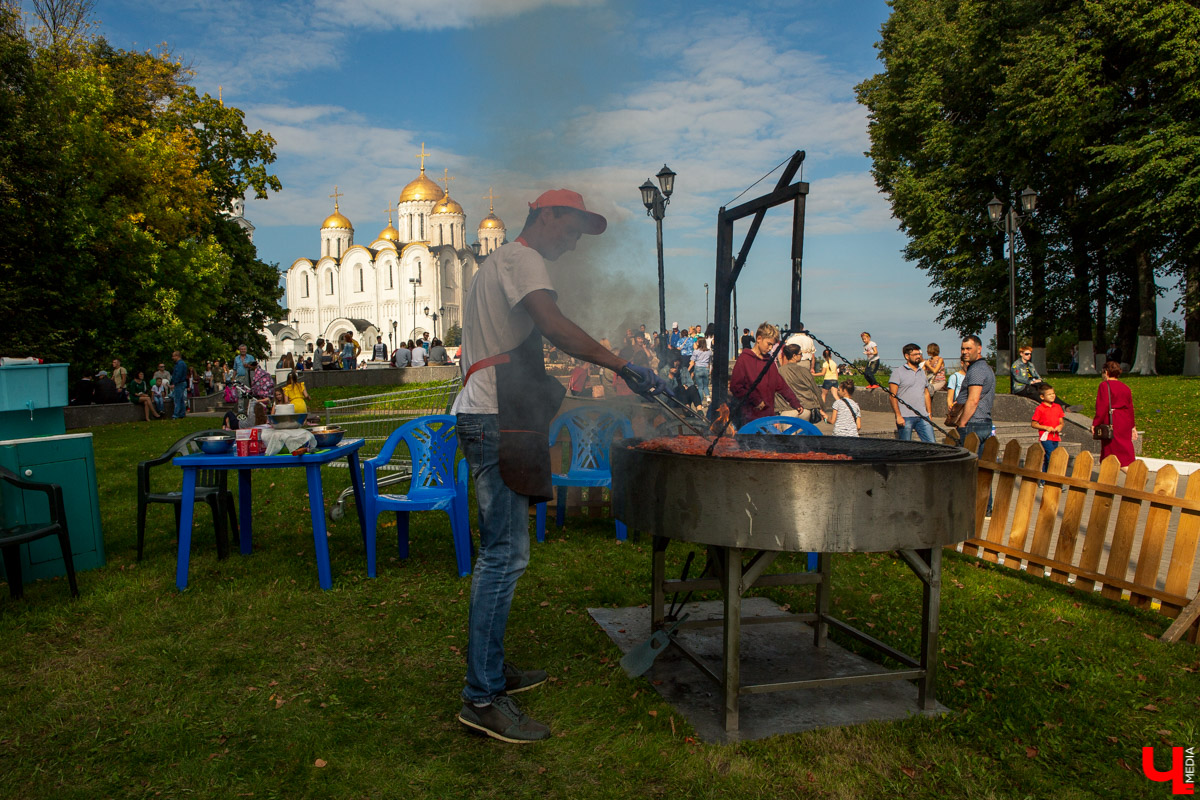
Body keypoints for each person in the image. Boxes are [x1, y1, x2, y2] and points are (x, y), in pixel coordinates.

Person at [451, 188, 669, 743]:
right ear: (545, 215)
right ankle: (481, 697)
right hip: (495, 416)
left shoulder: (497, 262)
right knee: (503, 557)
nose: (573, 244)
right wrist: (623, 366)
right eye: (571, 230)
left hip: (493, 412)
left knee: (505, 553)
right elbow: (554, 325)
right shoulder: (522, 259)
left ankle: (493, 671)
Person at [731, 322, 804, 425]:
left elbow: (781, 385)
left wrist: (794, 402)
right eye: (769, 344)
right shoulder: (744, 360)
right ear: (759, 339)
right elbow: (736, 387)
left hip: (768, 418)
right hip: (748, 418)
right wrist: (755, 399)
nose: (770, 348)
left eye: (772, 345)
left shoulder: (769, 362)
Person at [1092, 361, 1138, 469]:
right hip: (1124, 421)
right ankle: (1132, 471)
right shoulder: (1125, 387)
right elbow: (1130, 408)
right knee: (1124, 450)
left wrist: (1096, 423)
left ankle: (1134, 475)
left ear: (1106, 372)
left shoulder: (1105, 385)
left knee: (1112, 451)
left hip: (1112, 420)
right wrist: (1133, 426)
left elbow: (1102, 406)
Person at [953, 335, 995, 453]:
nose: (964, 352)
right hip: (982, 422)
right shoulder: (985, 367)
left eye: (968, 348)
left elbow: (973, 400)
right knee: (979, 462)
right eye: (963, 349)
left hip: (973, 422)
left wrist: (962, 423)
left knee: (969, 460)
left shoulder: (977, 369)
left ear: (979, 349)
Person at [889, 343, 934, 443]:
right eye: (915, 354)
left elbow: (926, 393)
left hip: (923, 416)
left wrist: (929, 413)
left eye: (919, 354)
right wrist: (898, 415)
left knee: (932, 444)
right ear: (907, 356)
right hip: (905, 416)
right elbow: (892, 396)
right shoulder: (898, 372)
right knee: (906, 445)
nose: (918, 356)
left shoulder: (922, 372)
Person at [775, 343, 823, 422]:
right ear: (794, 356)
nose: (802, 356)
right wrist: (821, 407)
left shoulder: (779, 371)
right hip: (805, 408)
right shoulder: (804, 371)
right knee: (803, 429)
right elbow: (815, 389)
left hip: (785, 408)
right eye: (800, 354)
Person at [1031, 383, 1064, 473]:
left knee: (1049, 456)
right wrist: (1045, 427)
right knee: (1051, 455)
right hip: (1045, 436)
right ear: (1042, 397)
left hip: (1055, 436)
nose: (1052, 396)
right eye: (1049, 394)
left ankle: (1044, 477)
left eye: (1053, 393)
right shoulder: (1040, 409)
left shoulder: (1057, 407)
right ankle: (1052, 474)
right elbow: (1033, 424)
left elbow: (1061, 422)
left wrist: (1060, 426)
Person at [690, 337, 712, 404]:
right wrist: (710, 369)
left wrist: (689, 369)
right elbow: (710, 361)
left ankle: (700, 401)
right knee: (705, 385)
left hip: (698, 368)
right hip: (705, 368)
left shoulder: (696, 351)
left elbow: (692, 361)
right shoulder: (709, 352)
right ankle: (708, 397)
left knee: (700, 387)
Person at [170, 351, 188, 419]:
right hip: (182, 382)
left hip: (179, 383)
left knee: (177, 399)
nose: (172, 358)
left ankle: (176, 414)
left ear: (177, 356)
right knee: (181, 399)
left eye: (173, 356)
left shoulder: (179, 364)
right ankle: (182, 413)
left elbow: (178, 374)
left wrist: (174, 383)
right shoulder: (182, 363)